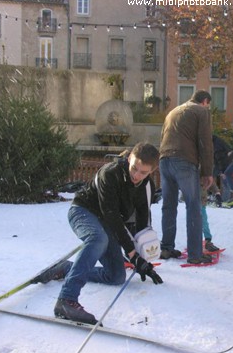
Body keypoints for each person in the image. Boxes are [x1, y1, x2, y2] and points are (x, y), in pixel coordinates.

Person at [48, 142, 163, 325]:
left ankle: (67, 268)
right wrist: (131, 253)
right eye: (134, 168)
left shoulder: (146, 186)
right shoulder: (110, 173)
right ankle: (66, 300)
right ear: (129, 158)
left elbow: (143, 222)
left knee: (116, 276)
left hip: (106, 223)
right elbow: (112, 216)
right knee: (98, 239)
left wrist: (143, 255)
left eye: (143, 172)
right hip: (83, 211)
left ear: (152, 171)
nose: (136, 175)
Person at [159, 89, 214, 265]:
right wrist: (207, 172)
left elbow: (163, 136)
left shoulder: (173, 112)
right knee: (193, 206)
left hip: (164, 160)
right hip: (184, 161)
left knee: (169, 206)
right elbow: (205, 142)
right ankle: (195, 253)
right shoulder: (201, 111)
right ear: (205, 101)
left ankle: (166, 247)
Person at [212, 134, 231, 206]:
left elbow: (220, 159)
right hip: (221, 162)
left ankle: (225, 200)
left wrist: (222, 171)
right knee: (209, 176)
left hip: (224, 163)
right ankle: (218, 196)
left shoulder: (216, 146)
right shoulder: (217, 141)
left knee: (225, 180)